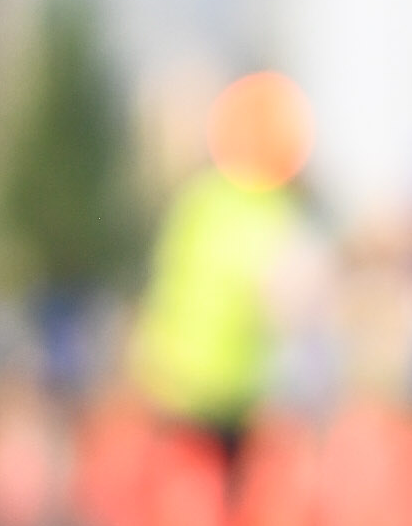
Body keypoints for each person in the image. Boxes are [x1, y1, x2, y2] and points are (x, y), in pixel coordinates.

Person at [127, 69, 325, 454]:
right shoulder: (274, 215)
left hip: (171, 385)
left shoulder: (198, 200)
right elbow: (291, 310)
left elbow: (162, 284)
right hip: (231, 397)